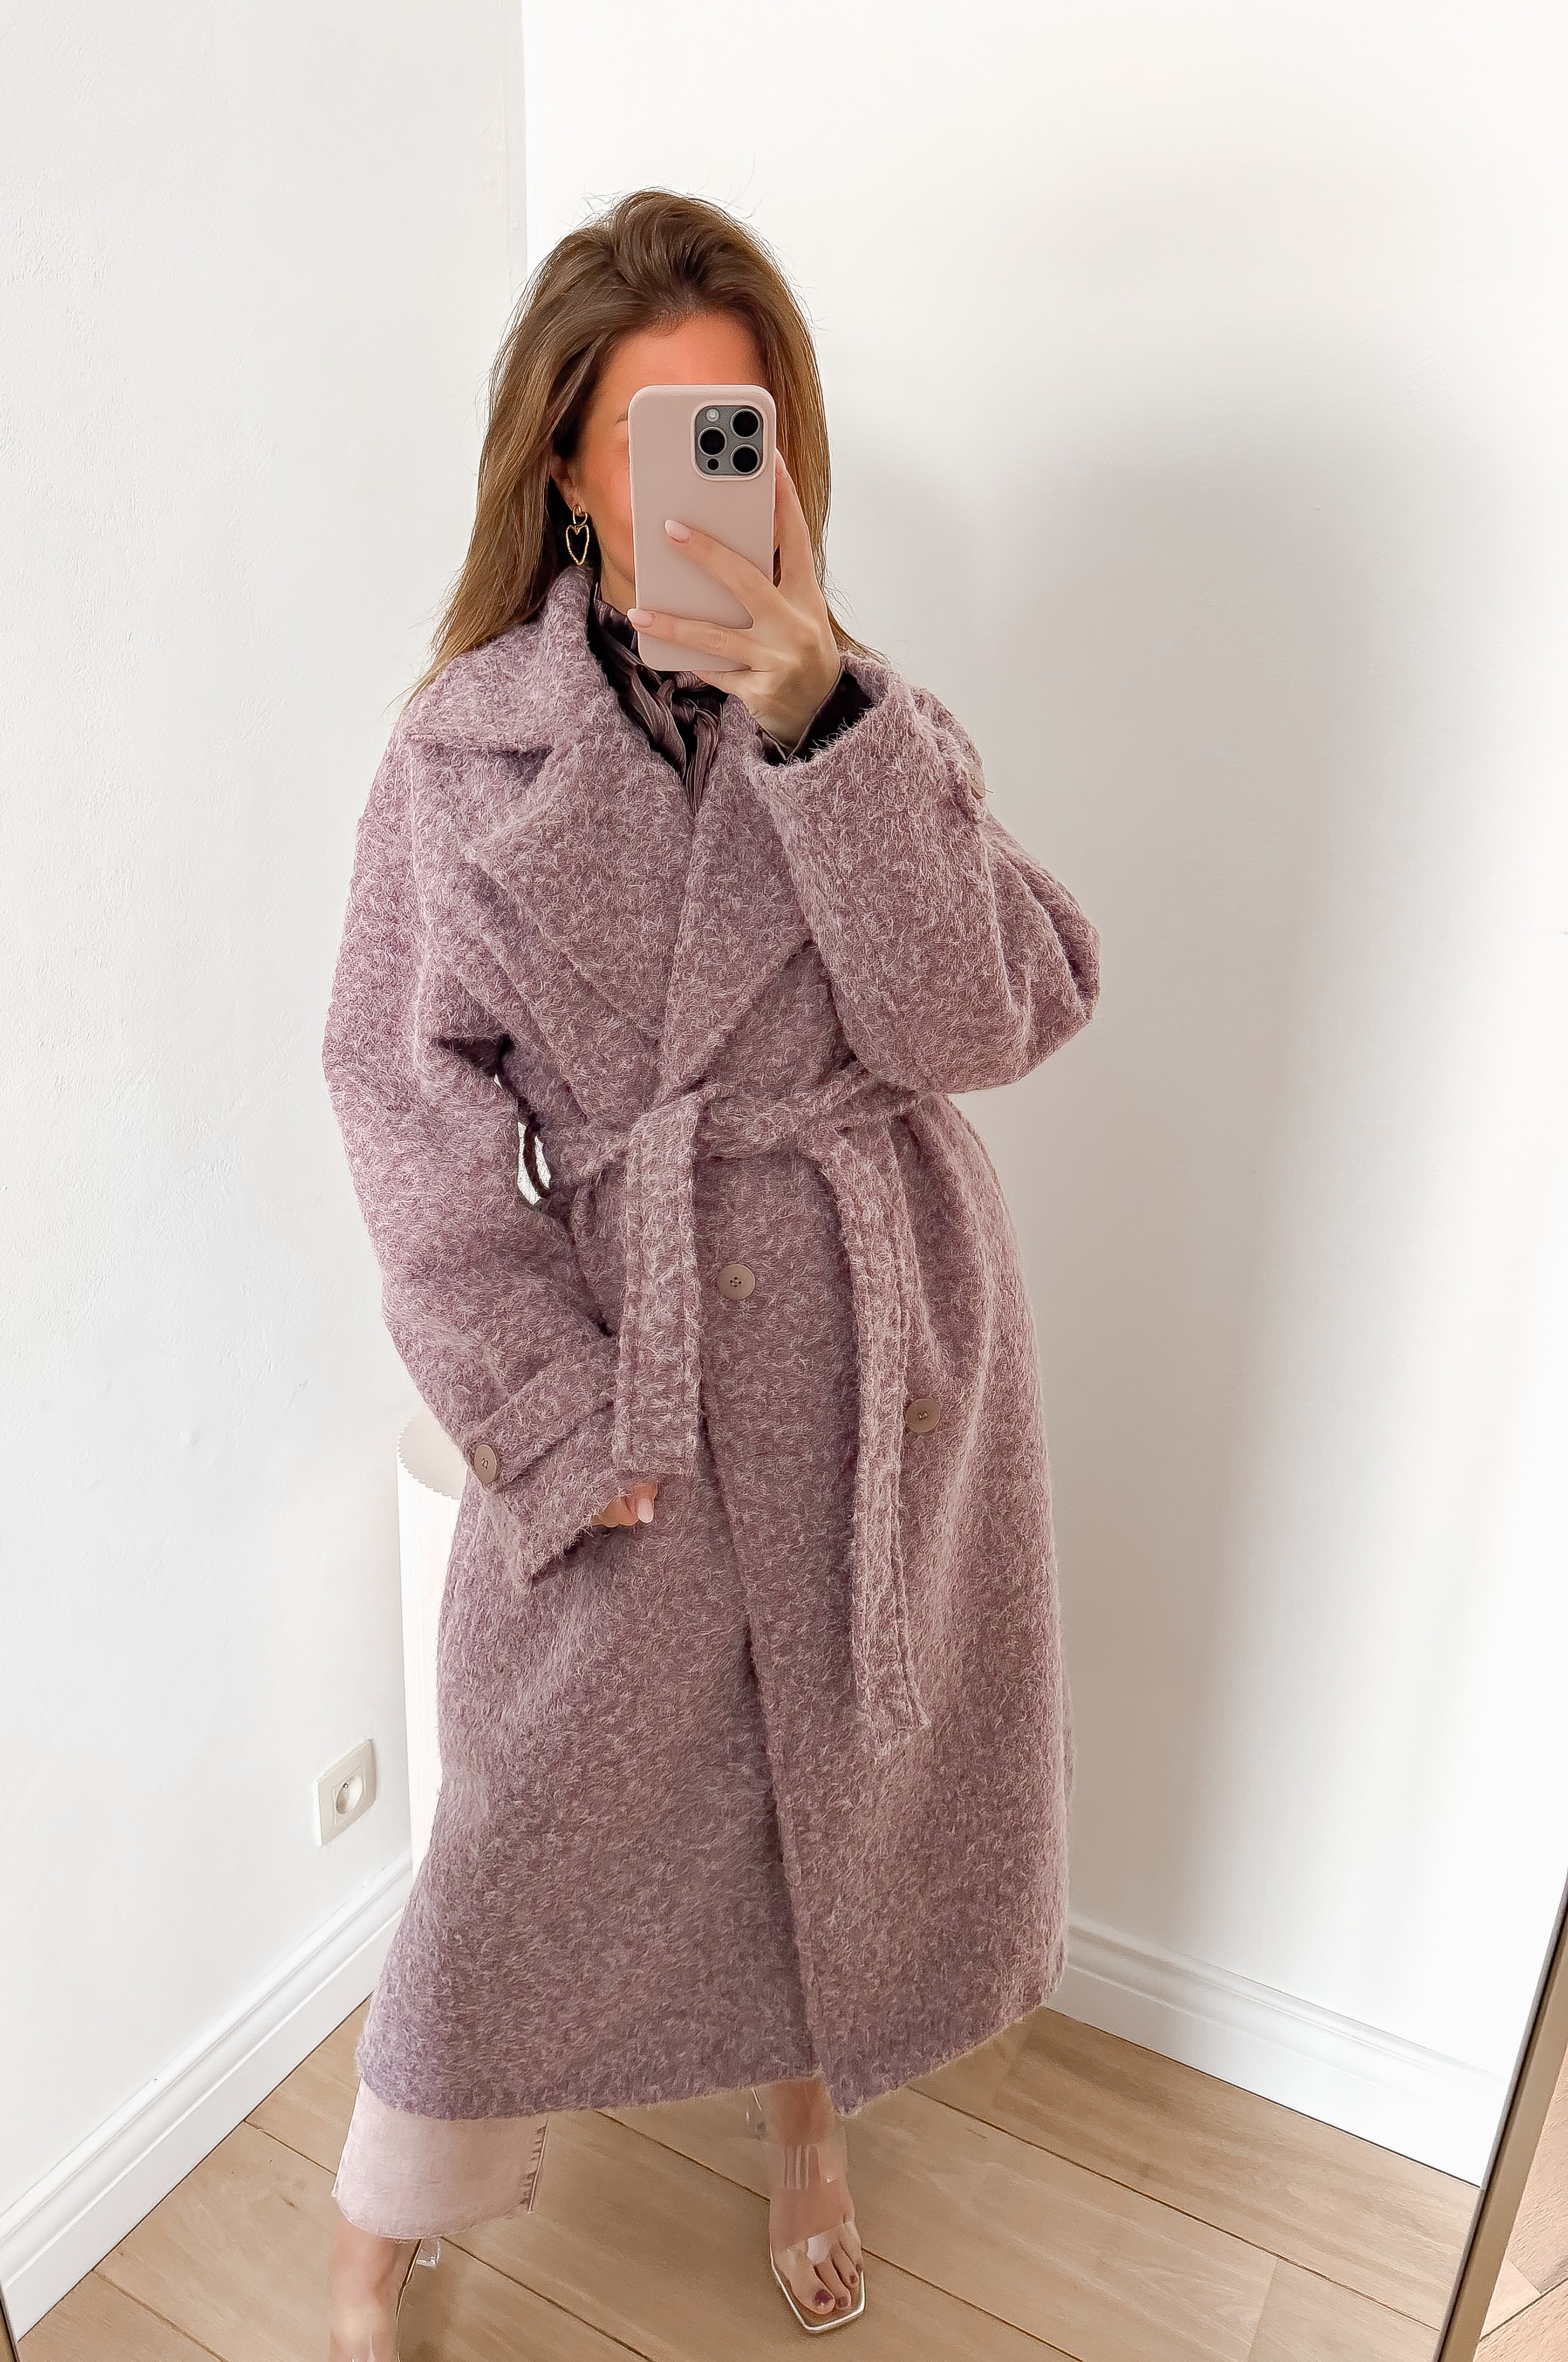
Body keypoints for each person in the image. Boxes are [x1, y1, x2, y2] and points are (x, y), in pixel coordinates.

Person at [320, 188, 1100, 2357]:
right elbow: (397, 1097)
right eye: (655, 435)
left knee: (828, 1779)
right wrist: (551, 1407)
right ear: (569, 467)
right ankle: (382, 2232)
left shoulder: (868, 724)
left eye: (736, 431)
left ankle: (806, 2124)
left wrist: (829, 728)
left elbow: (995, 1018)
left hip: (873, 1352)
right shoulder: (458, 755)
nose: (699, 480)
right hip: (630, 1352)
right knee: (519, 1831)